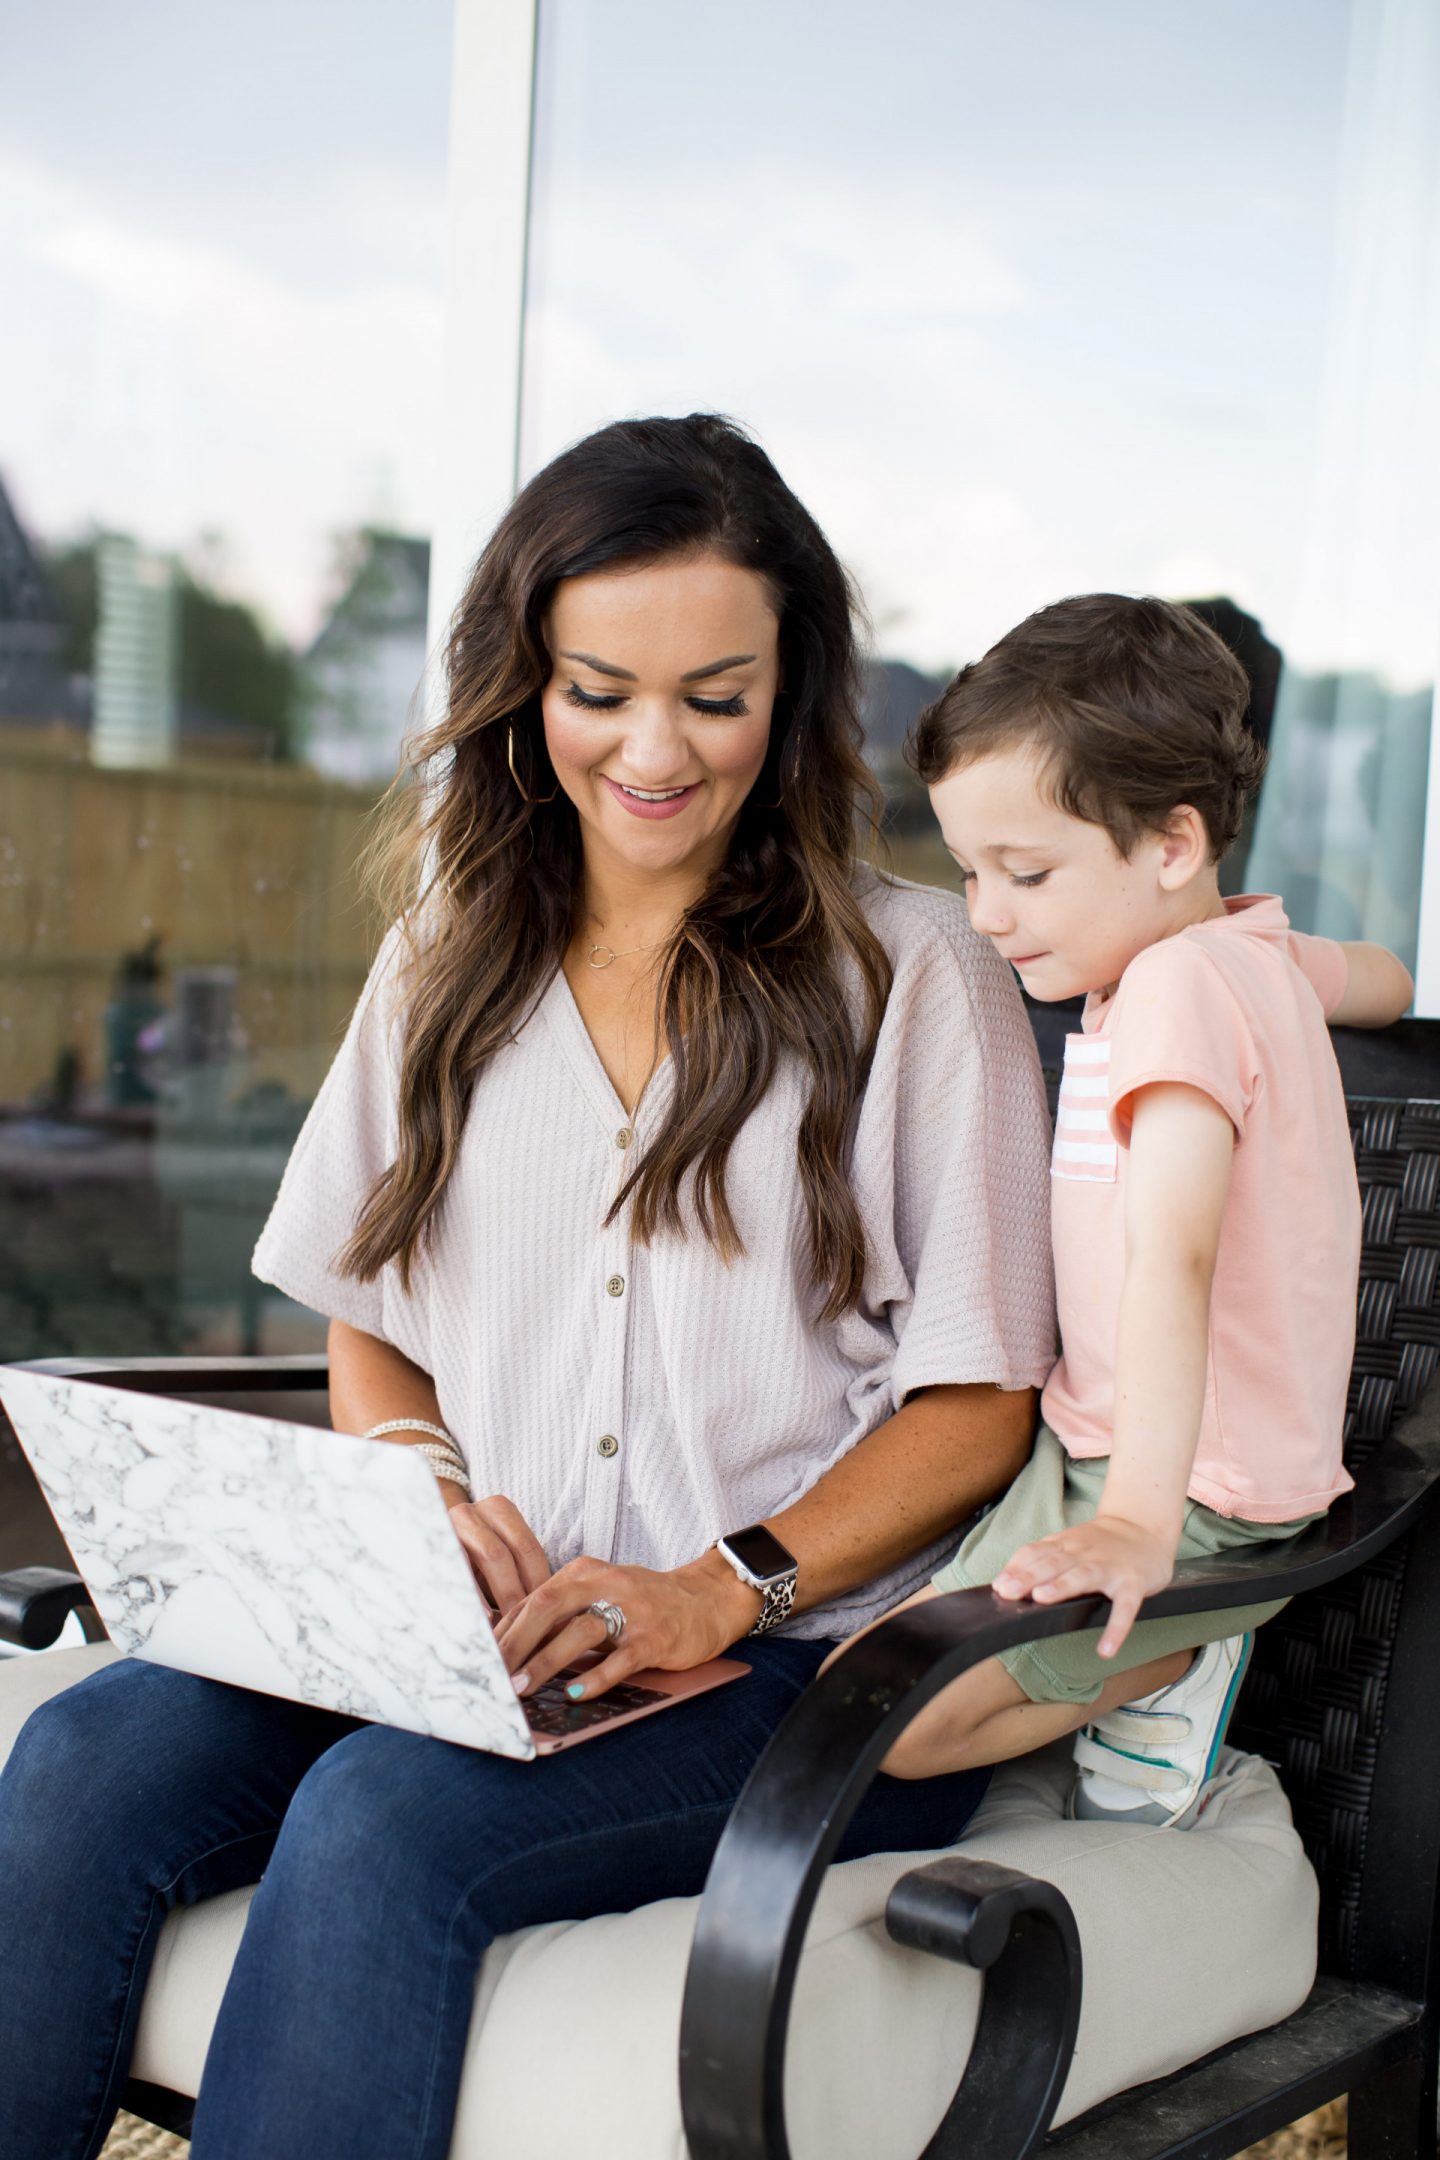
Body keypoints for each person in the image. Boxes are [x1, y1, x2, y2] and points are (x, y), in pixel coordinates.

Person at [0, 415, 1057, 2160]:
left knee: (381, 1823)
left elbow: (977, 1403)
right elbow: (372, 1316)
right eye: (600, 689)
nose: (656, 748)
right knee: (82, 1765)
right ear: (528, 683)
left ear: (791, 696)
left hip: (793, 1674)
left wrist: (723, 1588)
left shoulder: (915, 974)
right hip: (471, 1641)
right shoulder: (449, 953)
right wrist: (419, 1490)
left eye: (717, 696)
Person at [863, 593, 1413, 1823]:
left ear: (1170, 846)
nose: (988, 912)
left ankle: (1176, 1656)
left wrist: (1133, 1528)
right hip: (1150, 1447)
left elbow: (1175, 1257)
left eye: (1027, 872)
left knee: (885, 1717)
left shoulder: (1172, 990)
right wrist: (1344, 992)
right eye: (968, 871)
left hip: (1171, 1475)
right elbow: (1385, 977)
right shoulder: (1246, 948)